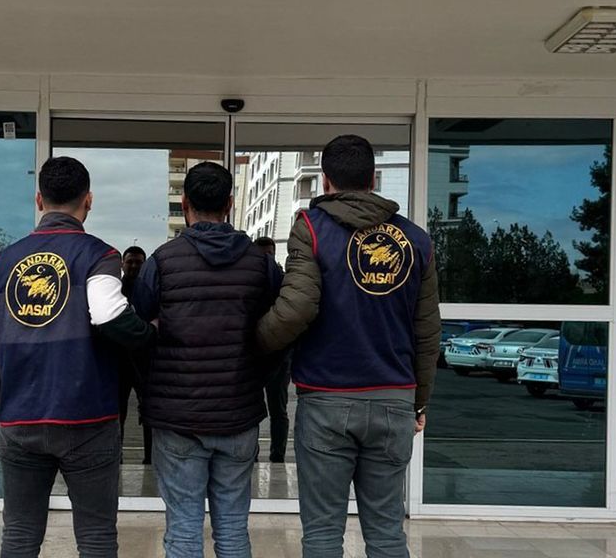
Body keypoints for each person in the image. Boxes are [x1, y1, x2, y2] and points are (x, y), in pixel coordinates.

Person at [256, 135, 441, 558]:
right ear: (373, 179)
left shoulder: (312, 228)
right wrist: (418, 401)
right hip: (394, 399)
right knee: (387, 534)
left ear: (325, 181)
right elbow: (428, 331)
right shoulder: (417, 240)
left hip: (327, 400)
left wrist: (254, 342)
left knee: (323, 535)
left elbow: (295, 309)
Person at [0, 156, 155, 558]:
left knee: (19, 534)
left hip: (20, 421)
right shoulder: (98, 255)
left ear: (39, 200)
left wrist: (10, 405)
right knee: (95, 536)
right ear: (88, 200)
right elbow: (111, 318)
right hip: (87, 419)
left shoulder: (0, 265)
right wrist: (152, 334)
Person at [131, 162, 283, 558]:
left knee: (183, 530)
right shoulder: (260, 264)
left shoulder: (162, 261)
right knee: (232, 530)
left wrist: (152, 389)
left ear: (184, 204)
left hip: (177, 418)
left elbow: (138, 333)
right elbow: (279, 331)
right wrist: (256, 377)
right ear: (230, 204)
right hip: (238, 414)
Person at [254, 235, 291, 464]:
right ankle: (256, 454)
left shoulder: (281, 280)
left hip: (278, 355)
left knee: (278, 408)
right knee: (254, 409)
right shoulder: (253, 280)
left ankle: (278, 455)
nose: (268, 258)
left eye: (270, 254)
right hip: (260, 354)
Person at [117, 245, 153, 464]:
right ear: (122, 263)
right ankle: (117, 456)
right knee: (118, 412)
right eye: (130, 261)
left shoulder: (149, 291)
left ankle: (150, 458)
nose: (133, 266)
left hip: (144, 361)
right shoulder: (113, 290)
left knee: (148, 411)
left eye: (138, 262)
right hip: (119, 361)